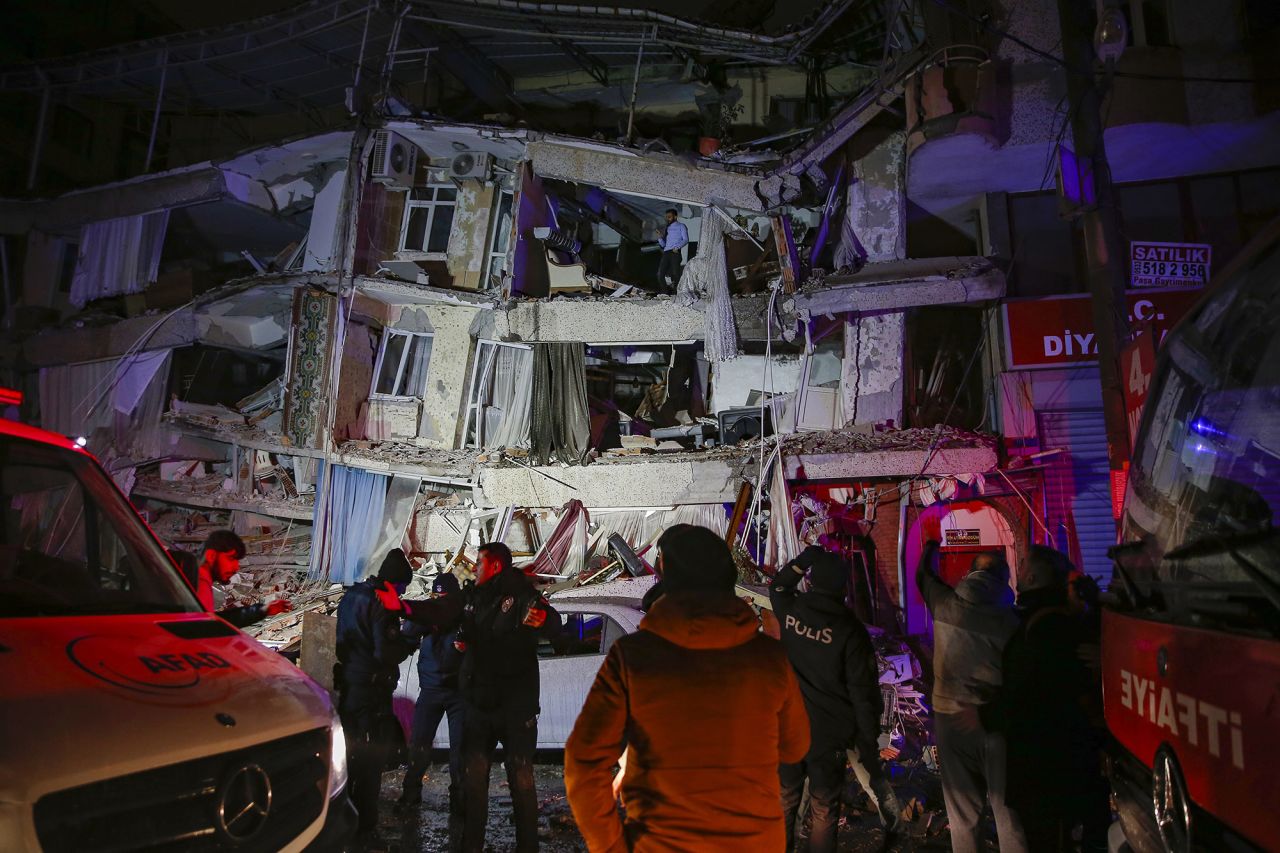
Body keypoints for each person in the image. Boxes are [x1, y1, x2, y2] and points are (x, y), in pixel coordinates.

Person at [565, 524, 810, 851]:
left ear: (667, 578)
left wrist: (609, 845)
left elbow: (583, 761)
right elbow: (795, 748)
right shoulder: (769, 658)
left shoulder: (633, 658)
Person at [771, 545, 902, 852]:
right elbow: (863, 692)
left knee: (784, 803)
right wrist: (868, 741)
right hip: (828, 737)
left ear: (813, 582)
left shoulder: (792, 610)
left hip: (789, 728)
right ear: (844, 588)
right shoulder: (850, 630)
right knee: (823, 811)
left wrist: (805, 559)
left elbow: (778, 585)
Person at [916, 541, 1027, 853]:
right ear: (1006, 581)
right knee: (1009, 813)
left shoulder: (945, 604)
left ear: (970, 574)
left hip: (951, 721)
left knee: (963, 815)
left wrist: (929, 549)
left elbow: (923, 576)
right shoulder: (1015, 622)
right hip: (997, 726)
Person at [454, 542, 560, 853]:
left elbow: (551, 621)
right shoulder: (475, 597)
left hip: (515, 710)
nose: (475, 568)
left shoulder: (519, 592)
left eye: (480, 563)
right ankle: (469, 846)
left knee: (521, 782)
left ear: (496, 566)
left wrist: (545, 621)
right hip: (480, 707)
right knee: (474, 784)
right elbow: (462, 626)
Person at [1002, 547, 1108, 853]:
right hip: (1054, 772)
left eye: (1021, 564)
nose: (1017, 569)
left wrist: (985, 714)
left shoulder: (1048, 627)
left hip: (1048, 776)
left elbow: (1028, 697)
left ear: (1033, 576)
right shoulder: (1055, 622)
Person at [335, 549, 419, 841]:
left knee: (348, 756)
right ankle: (366, 828)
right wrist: (409, 639)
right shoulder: (382, 604)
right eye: (403, 587)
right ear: (395, 584)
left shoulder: (351, 596)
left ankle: (344, 820)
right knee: (372, 759)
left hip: (348, 687)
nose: (402, 593)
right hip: (371, 692)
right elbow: (387, 651)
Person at [397, 571, 467, 834]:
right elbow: (408, 636)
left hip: (459, 692)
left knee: (460, 749)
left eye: (442, 597)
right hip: (431, 690)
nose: (438, 601)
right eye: (435, 596)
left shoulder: (464, 613)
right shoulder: (429, 613)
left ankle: (459, 799)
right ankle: (411, 794)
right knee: (419, 744)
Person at [173, 532, 290, 628]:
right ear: (211, 555)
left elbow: (210, 623)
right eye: (231, 558)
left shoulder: (197, 577)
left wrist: (262, 610)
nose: (236, 567)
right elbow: (202, 629)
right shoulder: (189, 576)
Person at [656, 208, 688, 291]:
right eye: (667, 217)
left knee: (675, 274)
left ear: (675, 216)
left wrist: (677, 247)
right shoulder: (667, 228)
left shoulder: (681, 226)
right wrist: (659, 237)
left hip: (675, 252)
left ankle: (675, 293)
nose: (668, 218)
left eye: (669, 216)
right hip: (666, 252)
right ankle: (665, 293)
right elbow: (664, 245)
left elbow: (685, 239)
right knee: (660, 274)